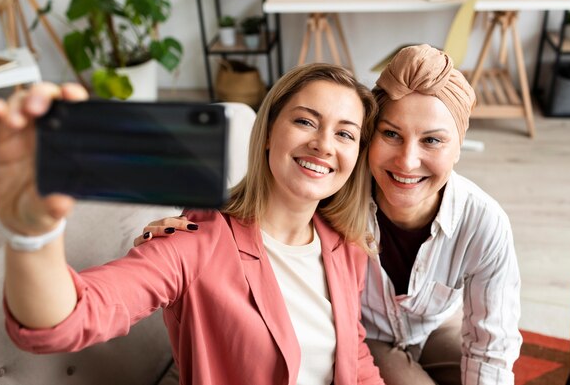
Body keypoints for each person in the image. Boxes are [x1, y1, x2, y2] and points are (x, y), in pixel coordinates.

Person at [142, 45, 522, 385]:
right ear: (368, 138)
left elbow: (492, 345)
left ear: (459, 149)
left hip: (435, 324)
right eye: (390, 134)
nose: (407, 161)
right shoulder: (328, 190)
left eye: (433, 140)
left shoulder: (483, 221)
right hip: (365, 338)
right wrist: (194, 227)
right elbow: (261, 209)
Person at [0, 64, 386, 385]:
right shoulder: (197, 239)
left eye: (345, 134)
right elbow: (69, 320)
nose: (324, 144)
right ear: (267, 133)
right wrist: (32, 234)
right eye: (305, 121)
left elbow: (355, 358)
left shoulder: (345, 245)